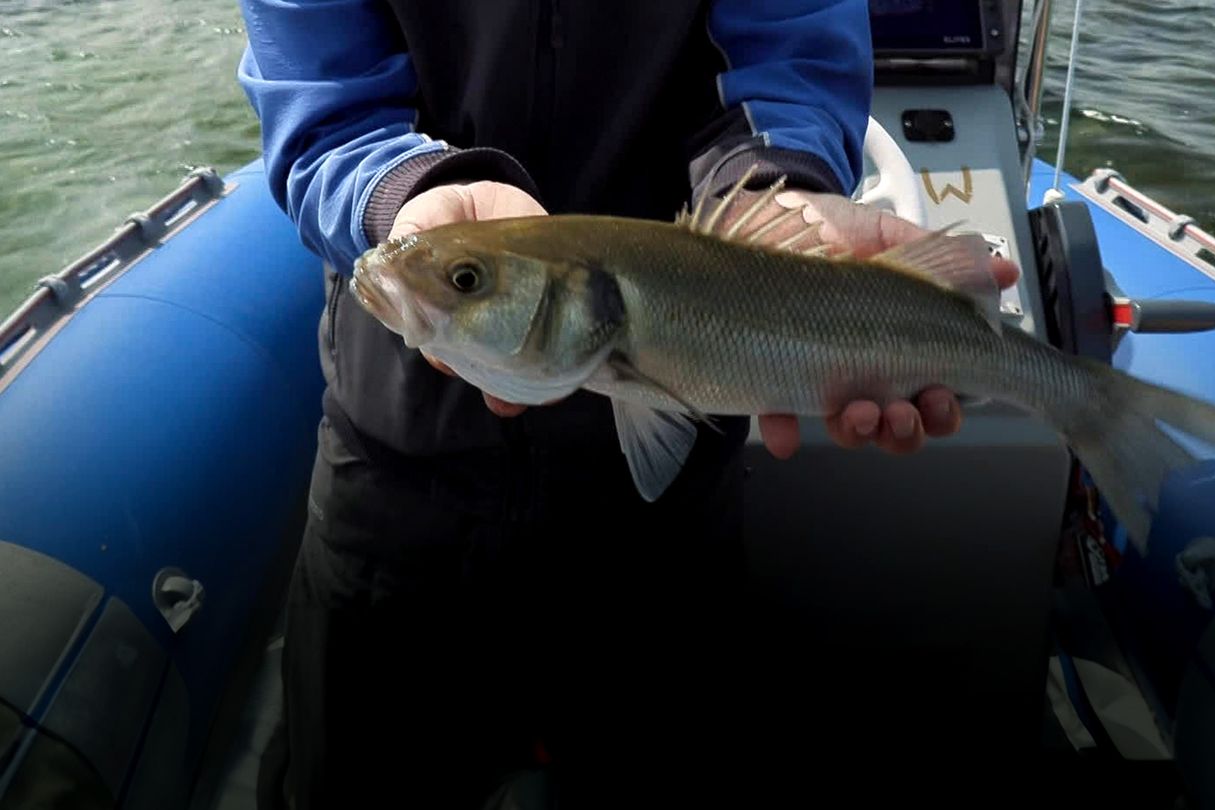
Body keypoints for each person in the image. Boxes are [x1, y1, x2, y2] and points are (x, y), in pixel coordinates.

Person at [236, 1, 1019, 807]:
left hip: (657, 523)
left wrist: (773, 194)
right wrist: (405, 196)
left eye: (462, 285)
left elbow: (790, 52)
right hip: (395, 473)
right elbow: (323, 101)